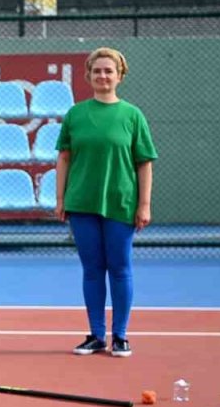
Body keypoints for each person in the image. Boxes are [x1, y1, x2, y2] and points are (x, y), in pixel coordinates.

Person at [54, 47, 157, 358]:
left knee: (120, 268)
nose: (102, 76)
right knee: (92, 270)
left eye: (108, 71)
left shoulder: (132, 115)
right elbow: (64, 158)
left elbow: (144, 163)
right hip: (82, 201)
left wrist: (144, 203)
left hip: (121, 203)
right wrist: (60, 198)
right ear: (89, 76)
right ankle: (96, 335)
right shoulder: (75, 114)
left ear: (119, 76)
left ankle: (120, 336)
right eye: (97, 71)